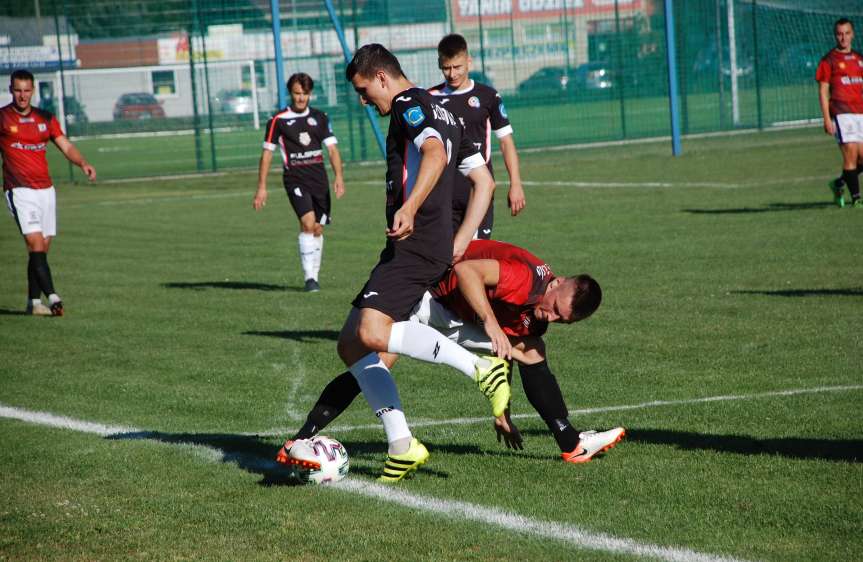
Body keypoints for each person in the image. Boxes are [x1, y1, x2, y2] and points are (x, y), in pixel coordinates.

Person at [318, 44, 508, 483]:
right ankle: (401, 444)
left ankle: (480, 368)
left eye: (365, 91)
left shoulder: (409, 105)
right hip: (426, 245)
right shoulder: (445, 109)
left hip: (415, 244)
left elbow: (436, 157)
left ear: (382, 77)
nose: (365, 101)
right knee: (350, 345)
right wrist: (458, 242)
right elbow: (484, 182)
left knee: (370, 332)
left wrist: (411, 206)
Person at [277, 239, 625, 468]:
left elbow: (507, 346)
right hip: (428, 294)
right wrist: (489, 323)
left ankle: (571, 442)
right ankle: (305, 436)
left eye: (560, 320)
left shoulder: (538, 312)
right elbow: (465, 271)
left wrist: (501, 409)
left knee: (532, 350)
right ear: (558, 282)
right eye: (553, 308)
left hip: (456, 314)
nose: (549, 317)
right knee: (370, 361)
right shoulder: (523, 278)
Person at [2, 69, 97, 316]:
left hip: (46, 190)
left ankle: (34, 303)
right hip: (19, 190)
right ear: (11, 90)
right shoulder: (2, 118)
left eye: (26, 90)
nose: (22, 96)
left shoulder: (46, 118)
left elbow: (65, 145)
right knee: (34, 243)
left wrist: (82, 163)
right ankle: (53, 296)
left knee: (41, 248)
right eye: (17, 90)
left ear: (32, 91)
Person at [254, 72, 345, 291]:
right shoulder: (278, 120)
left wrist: (339, 177)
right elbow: (267, 154)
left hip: (319, 180)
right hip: (295, 178)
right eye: (297, 94)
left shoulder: (320, 117)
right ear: (290, 93)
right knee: (306, 223)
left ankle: (314, 274)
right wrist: (262, 187)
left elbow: (332, 150)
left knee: (317, 228)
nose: (301, 98)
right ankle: (310, 279)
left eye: (305, 94)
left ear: (310, 94)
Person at [428, 33, 526, 238]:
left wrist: (515, 184)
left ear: (468, 62)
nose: (452, 74)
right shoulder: (430, 99)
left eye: (458, 67)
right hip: (443, 194)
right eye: (446, 68)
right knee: (447, 259)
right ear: (439, 64)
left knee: (476, 256)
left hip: (478, 190)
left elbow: (506, 142)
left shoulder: (488, 96)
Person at [818, 18, 863, 208]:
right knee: (850, 155)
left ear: (852, 34)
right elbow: (823, 90)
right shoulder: (829, 60)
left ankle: (839, 184)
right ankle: (857, 199)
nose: (843, 37)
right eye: (839, 33)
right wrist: (827, 118)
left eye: (846, 33)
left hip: (860, 112)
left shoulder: (860, 60)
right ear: (835, 35)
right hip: (841, 113)